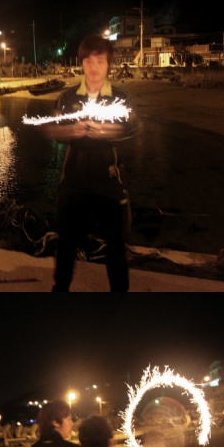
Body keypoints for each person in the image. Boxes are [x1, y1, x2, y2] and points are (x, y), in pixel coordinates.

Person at [52, 34, 132, 290]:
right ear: (81, 63)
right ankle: (59, 292)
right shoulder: (67, 98)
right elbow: (54, 130)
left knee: (116, 247)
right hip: (73, 182)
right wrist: (71, 131)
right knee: (65, 244)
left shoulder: (119, 98)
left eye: (100, 61)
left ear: (109, 64)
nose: (94, 67)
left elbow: (129, 128)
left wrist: (104, 131)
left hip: (109, 183)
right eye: (88, 61)